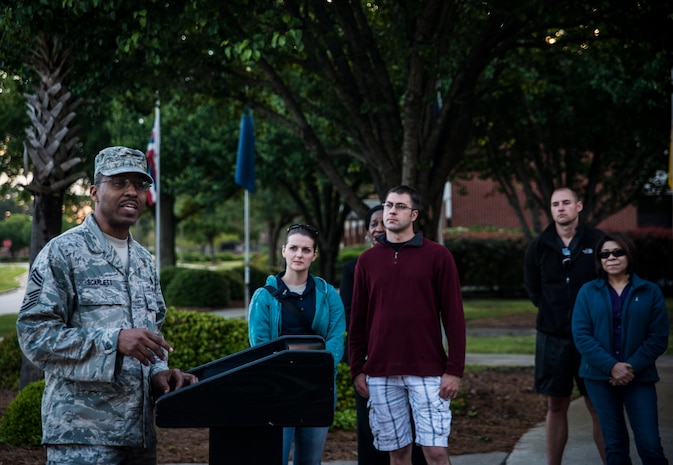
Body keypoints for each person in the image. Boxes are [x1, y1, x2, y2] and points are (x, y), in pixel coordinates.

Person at [16, 146, 198, 465]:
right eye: (119, 182)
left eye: (140, 184)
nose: (132, 191)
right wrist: (112, 341)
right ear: (94, 192)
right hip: (82, 438)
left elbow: (152, 335)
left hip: (139, 436)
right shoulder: (63, 254)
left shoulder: (144, 261)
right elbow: (34, 336)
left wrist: (159, 372)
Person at [348, 185, 466, 465]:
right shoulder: (367, 261)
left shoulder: (438, 256)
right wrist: (357, 369)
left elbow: (454, 316)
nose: (392, 211)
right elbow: (358, 321)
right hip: (380, 372)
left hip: (428, 371)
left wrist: (455, 370)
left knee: (435, 453)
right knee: (398, 454)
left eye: (400, 206)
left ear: (414, 214)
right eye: (388, 205)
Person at [248, 223, 346, 465]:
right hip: (278, 390)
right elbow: (259, 346)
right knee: (275, 457)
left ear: (315, 254)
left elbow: (335, 339)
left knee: (311, 461)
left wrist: (319, 372)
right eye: (293, 248)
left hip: (317, 388)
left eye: (305, 249)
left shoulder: (328, 293)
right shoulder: (264, 296)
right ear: (284, 251)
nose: (299, 254)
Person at [523, 186, 606, 465]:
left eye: (566, 203)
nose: (561, 208)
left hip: (592, 338)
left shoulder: (598, 241)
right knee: (555, 404)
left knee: (598, 405)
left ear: (579, 206)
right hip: (553, 338)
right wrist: (553, 312)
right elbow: (534, 290)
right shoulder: (539, 245)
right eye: (555, 203)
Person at [572, 232, 669, 465]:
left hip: (640, 377)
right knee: (614, 447)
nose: (611, 258)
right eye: (604, 254)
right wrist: (611, 366)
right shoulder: (587, 292)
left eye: (618, 252)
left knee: (651, 446)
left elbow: (658, 337)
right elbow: (581, 335)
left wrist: (629, 368)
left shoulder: (649, 291)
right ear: (599, 260)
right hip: (599, 378)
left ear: (629, 254)